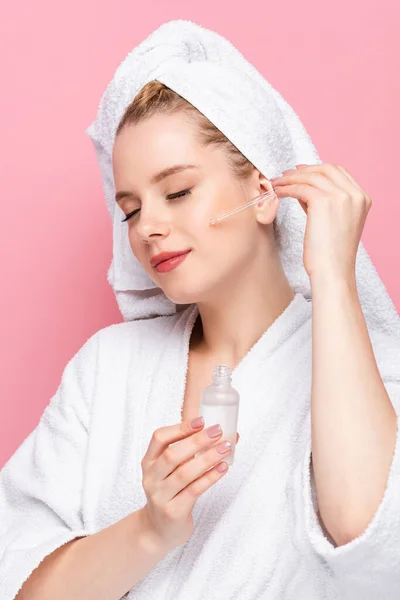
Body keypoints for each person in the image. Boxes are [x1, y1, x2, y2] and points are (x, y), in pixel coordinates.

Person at [1, 20, 400, 600]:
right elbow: (22, 586)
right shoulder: (107, 369)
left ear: (263, 192)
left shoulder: (371, 365)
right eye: (131, 209)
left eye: (179, 191)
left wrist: (333, 276)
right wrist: (150, 529)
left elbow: (376, 544)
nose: (150, 228)